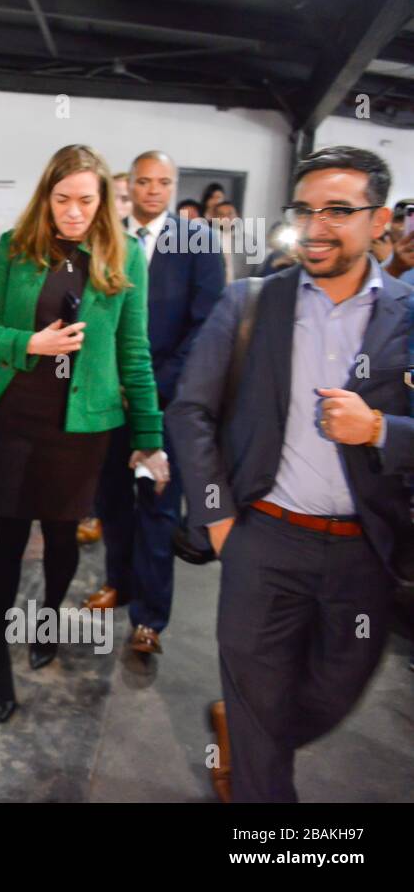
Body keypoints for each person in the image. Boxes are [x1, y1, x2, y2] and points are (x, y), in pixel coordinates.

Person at [168, 145, 414, 802]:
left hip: (367, 549)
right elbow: (191, 409)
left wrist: (382, 429)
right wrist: (218, 518)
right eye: (305, 210)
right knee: (260, 728)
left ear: (379, 219)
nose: (317, 225)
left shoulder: (409, 313)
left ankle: (250, 730)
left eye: (339, 210)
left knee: (335, 690)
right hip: (263, 540)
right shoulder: (250, 302)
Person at [0, 144, 166, 723]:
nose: (73, 212)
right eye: (62, 199)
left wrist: (149, 437)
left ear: (102, 201)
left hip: (81, 428)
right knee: (7, 538)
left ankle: (47, 621)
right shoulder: (15, 248)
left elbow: (135, 352)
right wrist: (29, 344)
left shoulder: (123, 255)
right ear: (45, 196)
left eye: (85, 200)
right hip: (17, 417)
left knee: (60, 539)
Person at [86, 151, 224, 657]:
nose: (151, 191)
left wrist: (150, 384)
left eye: (162, 182)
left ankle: (150, 618)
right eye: (143, 181)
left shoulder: (198, 242)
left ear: (173, 186)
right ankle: (117, 584)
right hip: (106, 400)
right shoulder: (106, 239)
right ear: (131, 185)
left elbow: (207, 326)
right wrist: (111, 382)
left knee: (159, 505)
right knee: (112, 500)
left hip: (165, 401)